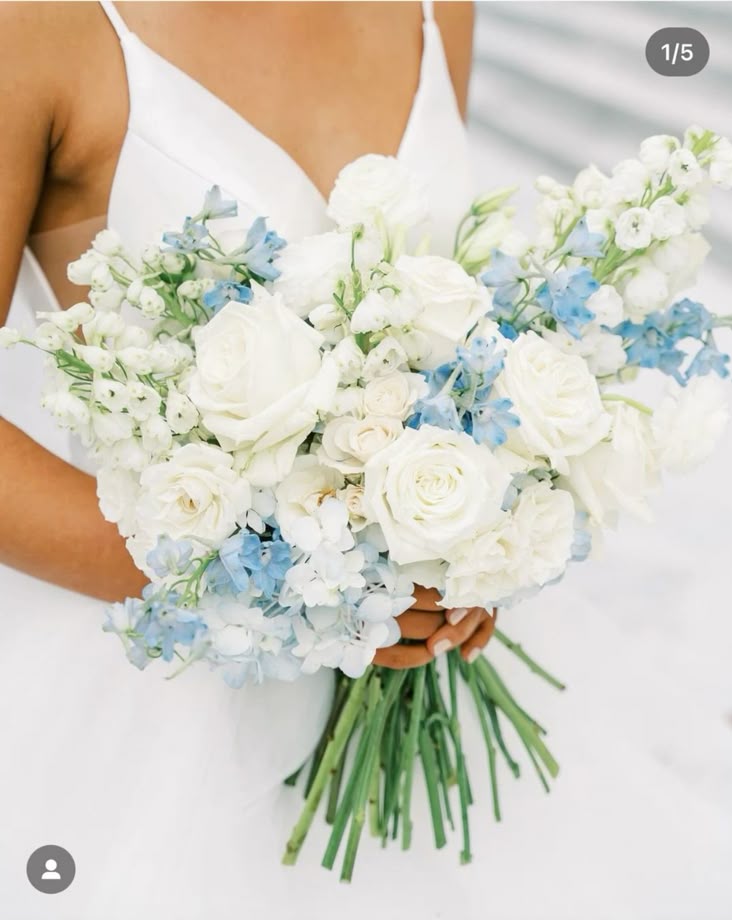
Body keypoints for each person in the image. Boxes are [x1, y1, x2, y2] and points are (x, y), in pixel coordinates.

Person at [0, 3, 496, 916]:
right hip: (143, 699)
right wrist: (303, 591)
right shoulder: (37, 28)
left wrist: (466, 529)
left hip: (412, 683)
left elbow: (443, 312)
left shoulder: (438, 8)